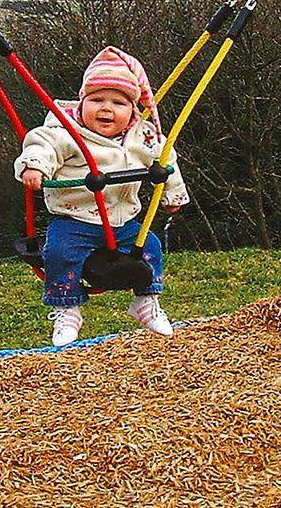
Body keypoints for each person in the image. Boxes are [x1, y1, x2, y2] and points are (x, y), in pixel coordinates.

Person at [14, 46, 190, 347]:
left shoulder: (143, 136)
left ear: (132, 111)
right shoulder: (67, 131)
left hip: (123, 221)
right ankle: (67, 308)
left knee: (151, 247)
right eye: (96, 100)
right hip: (73, 219)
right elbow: (42, 144)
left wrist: (173, 193)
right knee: (59, 253)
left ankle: (146, 301)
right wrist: (35, 166)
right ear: (82, 102)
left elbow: (165, 159)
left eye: (118, 103)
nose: (106, 109)